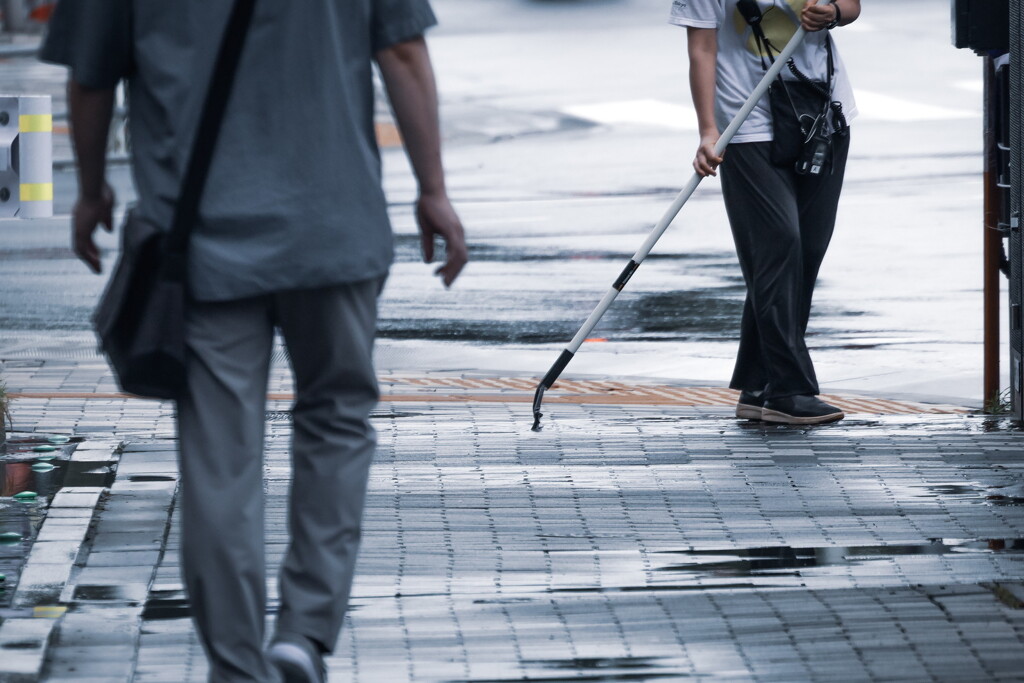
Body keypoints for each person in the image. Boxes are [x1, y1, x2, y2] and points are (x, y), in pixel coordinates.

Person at [41, 0, 467, 680]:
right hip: (333, 227)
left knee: (219, 458)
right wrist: (433, 189)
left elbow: (90, 80)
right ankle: (303, 632)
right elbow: (404, 53)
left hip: (201, 245)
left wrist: (91, 192)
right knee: (335, 419)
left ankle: (238, 664)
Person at [670, 0, 860, 425]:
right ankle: (789, 389)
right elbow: (702, 48)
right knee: (779, 243)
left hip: (822, 113)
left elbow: (851, 5)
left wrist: (832, 12)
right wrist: (707, 130)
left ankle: (759, 386)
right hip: (747, 122)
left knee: (806, 250)